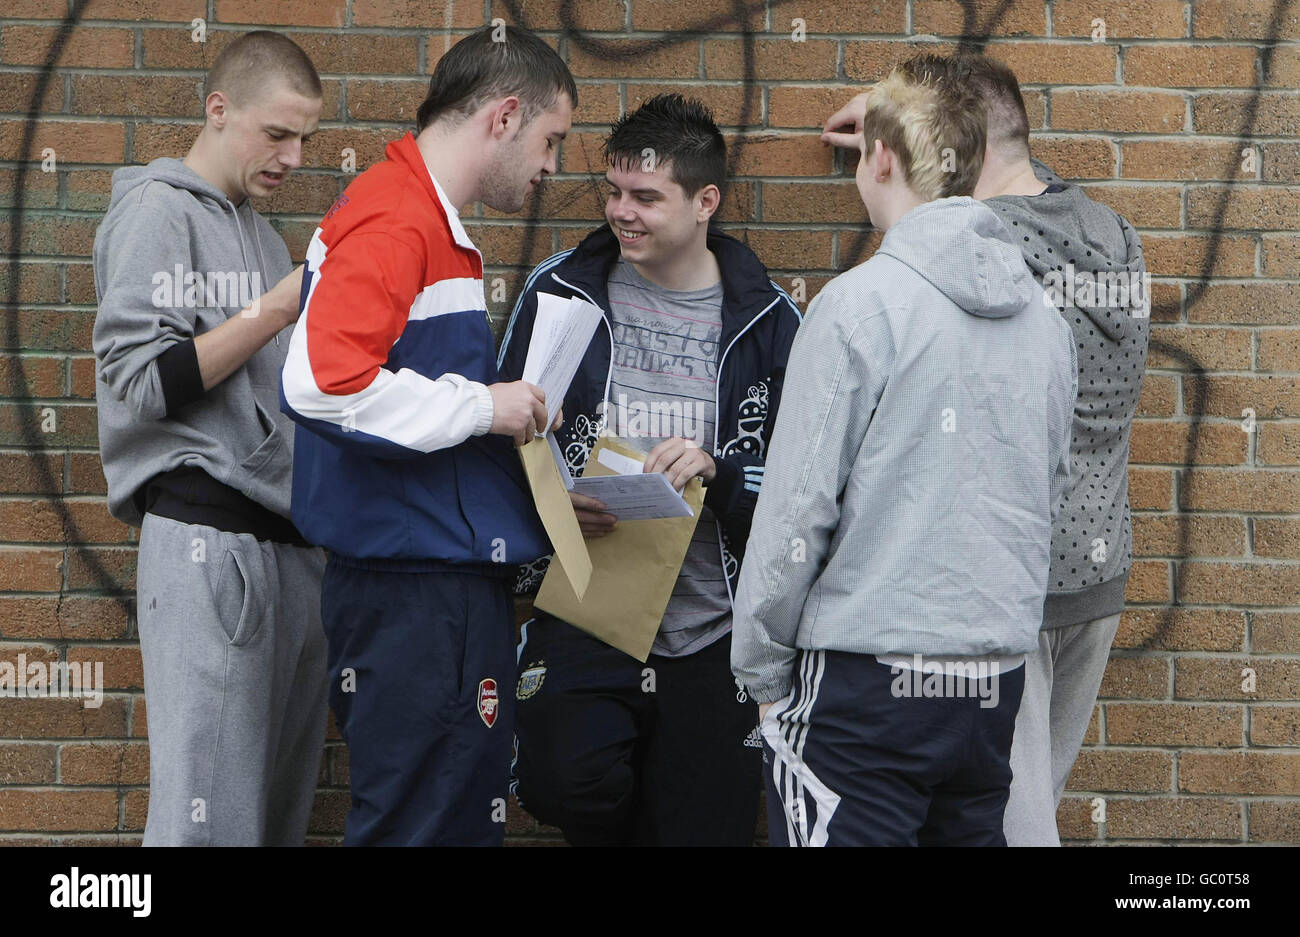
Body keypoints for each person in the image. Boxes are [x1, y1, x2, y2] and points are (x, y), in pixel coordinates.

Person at [731, 57, 1077, 846]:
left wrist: (761, 673)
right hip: (990, 681)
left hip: (864, 686)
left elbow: (795, 511)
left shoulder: (858, 306)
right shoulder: (1043, 322)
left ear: (881, 157)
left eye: (864, 153)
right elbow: (1045, 492)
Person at [278, 25, 575, 846]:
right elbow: (322, 383)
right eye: (552, 140)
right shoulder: (398, 218)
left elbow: (413, 418)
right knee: (424, 820)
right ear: (505, 116)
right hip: (414, 596)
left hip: (431, 585)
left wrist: (545, 500)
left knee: (442, 814)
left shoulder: (424, 219)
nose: (552, 166)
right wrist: (487, 406)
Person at [497, 94, 802, 845]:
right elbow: (502, 443)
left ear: (706, 202)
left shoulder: (770, 322)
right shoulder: (560, 291)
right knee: (566, 779)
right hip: (589, 601)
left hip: (715, 627)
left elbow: (803, 491)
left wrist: (721, 474)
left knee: (709, 826)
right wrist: (554, 501)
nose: (620, 212)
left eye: (644, 197)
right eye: (612, 192)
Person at [92, 31, 325, 845]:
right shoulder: (157, 211)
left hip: (287, 551)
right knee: (207, 828)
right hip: (208, 543)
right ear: (218, 111)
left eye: (305, 139)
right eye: (277, 133)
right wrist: (276, 308)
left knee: (269, 822)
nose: (293, 156)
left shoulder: (261, 237)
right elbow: (142, 380)